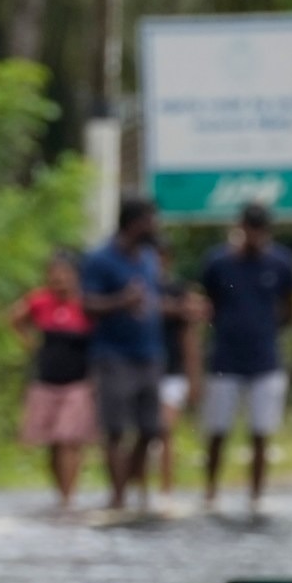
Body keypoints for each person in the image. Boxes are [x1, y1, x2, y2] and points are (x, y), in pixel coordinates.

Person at [199, 202, 292, 512]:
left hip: (264, 358)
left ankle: (256, 495)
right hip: (226, 357)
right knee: (218, 429)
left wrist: (266, 328)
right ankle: (211, 491)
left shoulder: (281, 264)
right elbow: (209, 303)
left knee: (261, 431)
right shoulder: (219, 263)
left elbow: (289, 306)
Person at [79, 197, 167, 511]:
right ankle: (118, 496)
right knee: (115, 428)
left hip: (149, 352)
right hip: (113, 354)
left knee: (151, 428)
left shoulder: (148, 258)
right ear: (134, 223)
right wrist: (120, 302)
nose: (155, 226)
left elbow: (153, 300)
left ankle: (134, 483)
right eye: (150, 219)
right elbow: (87, 304)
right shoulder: (100, 259)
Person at [8, 253, 95, 511]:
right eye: (54, 274)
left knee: (70, 439)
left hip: (78, 381)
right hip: (46, 380)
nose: (60, 279)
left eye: (65, 273)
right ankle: (60, 493)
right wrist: (30, 343)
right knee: (52, 441)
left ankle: (69, 498)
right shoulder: (40, 301)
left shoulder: (86, 303)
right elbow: (14, 318)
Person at [152, 248, 201, 502]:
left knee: (165, 429)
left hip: (172, 370)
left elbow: (189, 335)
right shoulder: (134, 287)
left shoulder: (178, 291)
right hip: (143, 368)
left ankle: (166, 489)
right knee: (140, 433)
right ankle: (137, 491)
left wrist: (194, 377)